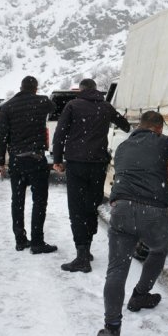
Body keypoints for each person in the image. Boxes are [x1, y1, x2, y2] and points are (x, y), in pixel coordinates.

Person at [96, 111, 168, 336]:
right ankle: (140, 295)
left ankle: (112, 329)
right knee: (158, 248)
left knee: (116, 269)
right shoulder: (160, 141)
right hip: (153, 212)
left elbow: (138, 167)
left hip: (122, 208)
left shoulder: (124, 146)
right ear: (157, 128)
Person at [52, 78, 130, 273]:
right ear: (95, 90)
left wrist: (58, 159)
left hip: (77, 164)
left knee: (76, 208)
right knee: (90, 206)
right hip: (97, 165)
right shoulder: (105, 107)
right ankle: (86, 248)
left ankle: (82, 256)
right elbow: (126, 126)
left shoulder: (73, 105)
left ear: (81, 90)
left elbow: (60, 133)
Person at [0, 76, 57, 254]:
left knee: (18, 200)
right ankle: (37, 242)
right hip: (36, 160)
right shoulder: (42, 101)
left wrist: (0, 163)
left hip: (16, 161)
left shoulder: (7, 106)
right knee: (39, 201)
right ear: (35, 88)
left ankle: (20, 240)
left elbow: (1, 137)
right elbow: (53, 107)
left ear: (20, 87)